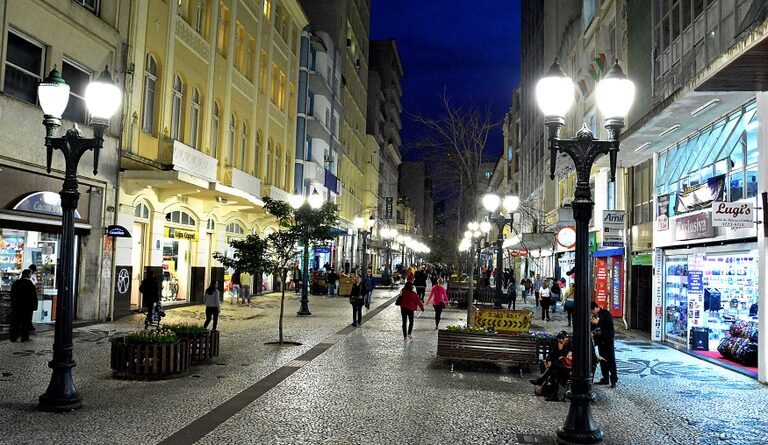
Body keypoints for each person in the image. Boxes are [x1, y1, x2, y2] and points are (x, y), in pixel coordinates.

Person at [530, 331, 572, 401]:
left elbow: (565, 358)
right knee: (554, 372)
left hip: (568, 368)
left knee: (555, 365)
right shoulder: (559, 344)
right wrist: (549, 359)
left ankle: (540, 381)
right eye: (559, 339)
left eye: (561, 338)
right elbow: (552, 353)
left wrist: (561, 350)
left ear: (565, 338)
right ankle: (554, 395)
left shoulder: (570, 344)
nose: (560, 340)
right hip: (561, 367)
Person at [591, 301, 617, 388]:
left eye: (592, 310)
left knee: (610, 360)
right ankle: (605, 378)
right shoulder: (595, 316)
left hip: (608, 340)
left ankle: (613, 380)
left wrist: (598, 323)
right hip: (600, 341)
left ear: (596, 308)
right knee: (603, 360)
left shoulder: (606, 314)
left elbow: (608, 325)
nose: (593, 313)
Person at [9, 269, 37, 342]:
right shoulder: (30, 284)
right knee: (26, 322)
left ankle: (13, 337)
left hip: (16, 306)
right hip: (27, 307)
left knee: (15, 322)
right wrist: (34, 306)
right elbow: (33, 296)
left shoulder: (16, 283)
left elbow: (12, 295)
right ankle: (24, 337)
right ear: (28, 275)